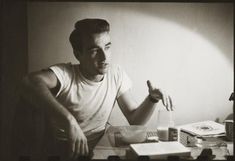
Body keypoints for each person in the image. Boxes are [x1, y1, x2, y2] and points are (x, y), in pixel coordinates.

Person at [20, 18, 173, 160]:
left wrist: (152, 99)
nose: (105, 58)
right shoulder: (66, 74)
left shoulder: (115, 73)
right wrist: (69, 121)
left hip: (100, 149)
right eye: (94, 50)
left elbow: (135, 120)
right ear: (78, 54)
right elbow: (29, 82)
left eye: (107, 47)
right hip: (67, 152)